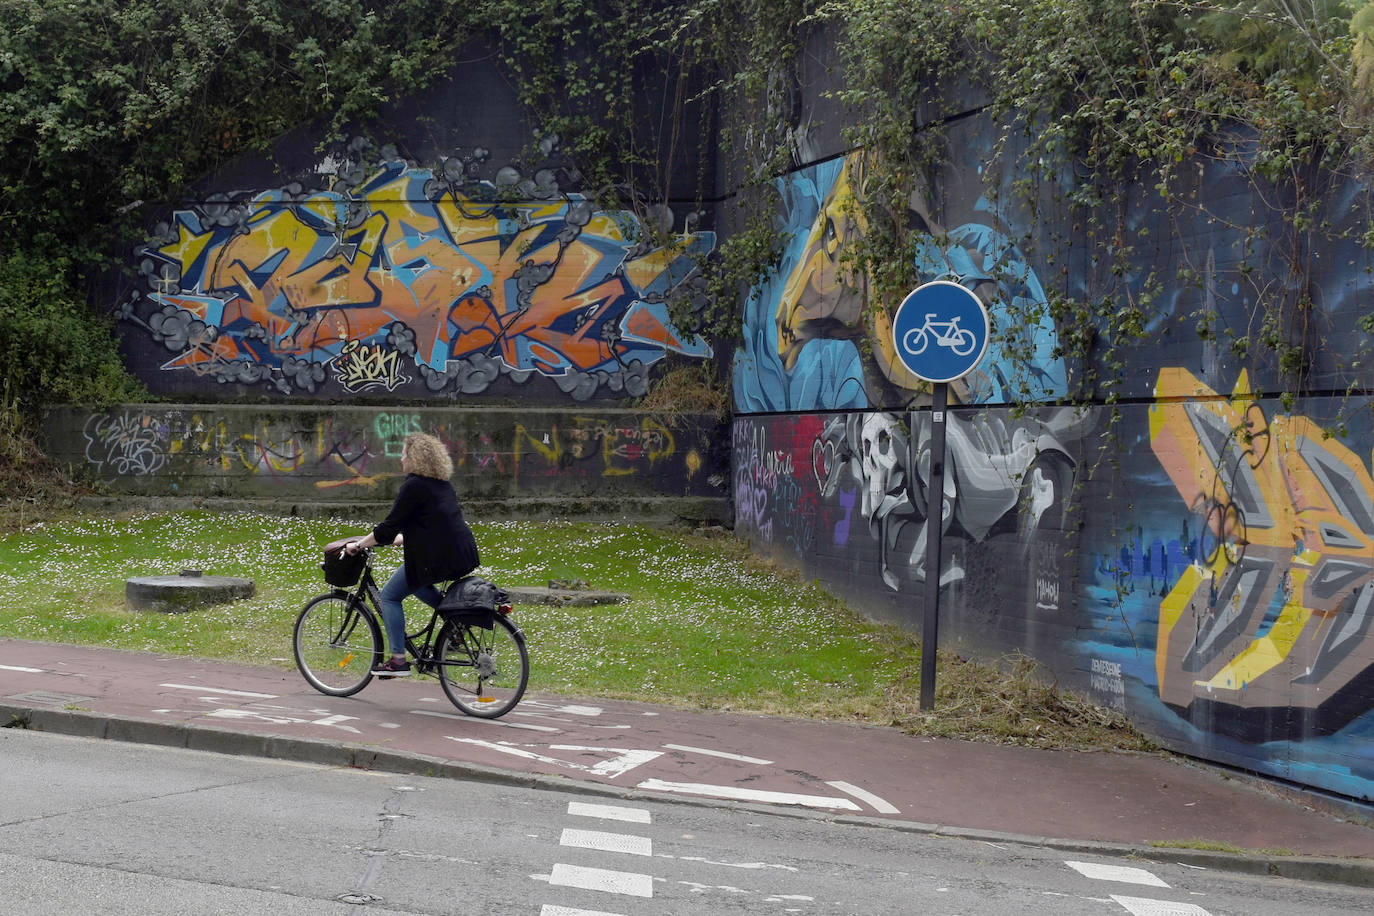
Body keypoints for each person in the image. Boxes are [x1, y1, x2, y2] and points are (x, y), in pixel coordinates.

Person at [344, 432, 480, 676]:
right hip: (462, 551)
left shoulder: (414, 486)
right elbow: (436, 521)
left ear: (416, 459)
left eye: (404, 454)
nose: (401, 458)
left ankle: (397, 660)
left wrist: (360, 545)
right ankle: (456, 624)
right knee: (416, 582)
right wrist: (405, 538)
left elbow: (387, 528)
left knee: (389, 597)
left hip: (439, 557)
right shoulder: (441, 484)